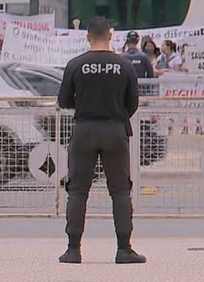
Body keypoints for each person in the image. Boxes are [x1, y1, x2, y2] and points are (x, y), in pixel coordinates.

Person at [57, 17, 145, 265]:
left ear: (87, 37)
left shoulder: (76, 65)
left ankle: (73, 249)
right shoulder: (124, 65)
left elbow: (64, 100)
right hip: (115, 130)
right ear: (111, 36)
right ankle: (124, 249)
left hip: (84, 129)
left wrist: (84, 106)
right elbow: (133, 104)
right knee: (119, 190)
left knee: (77, 191)